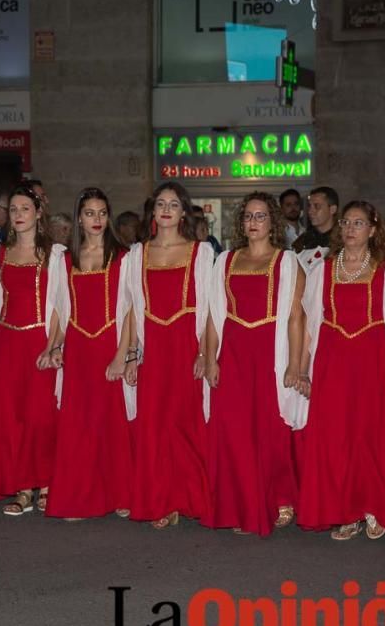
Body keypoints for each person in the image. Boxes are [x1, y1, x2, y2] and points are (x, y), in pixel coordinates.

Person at [293, 200, 385, 540]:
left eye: (359, 223)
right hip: (332, 360)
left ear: (373, 230)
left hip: (372, 361)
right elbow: (310, 322)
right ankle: (345, 511)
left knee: (369, 436)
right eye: (347, 223)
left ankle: (373, 506)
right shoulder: (322, 270)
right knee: (337, 439)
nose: (351, 229)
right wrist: (302, 369)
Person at [203, 191, 305, 536]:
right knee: (233, 431)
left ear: (273, 221)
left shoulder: (286, 262)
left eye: (261, 216)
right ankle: (240, 503)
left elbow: (295, 318)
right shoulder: (226, 260)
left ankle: (279, 496)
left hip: (269, 353)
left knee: (270, 429)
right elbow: (215, 314)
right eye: (248, 216)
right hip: (232, 353)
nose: (253, 222)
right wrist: (210, 357)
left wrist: (294, 365)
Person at [124, 181, 212, 529]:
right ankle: (162, 500)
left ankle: (190, 497)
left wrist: (206, 353)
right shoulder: (137, 253)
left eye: (173, 204)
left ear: (183, 212)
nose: (166, 210)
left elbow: (208, 307)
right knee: (155, 424)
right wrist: (131, 355)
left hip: (185, 343)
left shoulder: (200, 252)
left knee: (186, 424)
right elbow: (131, 307)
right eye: (161, 203)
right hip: (154, 346)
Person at [46, 188, 133, 520]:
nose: (96, 220)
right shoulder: (66, 259)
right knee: (79, 425)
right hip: (79, 347)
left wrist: (122, 354)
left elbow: (130, 311)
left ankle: (120, 493)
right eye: (89, 213)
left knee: (112, 423)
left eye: (101, 213)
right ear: (79, 218)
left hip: (109, 343)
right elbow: (59, 307)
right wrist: (55, 345)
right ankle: (78, 498)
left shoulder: (124, 257)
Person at [0, 185, 68, 515]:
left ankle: (45, 483)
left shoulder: (56, 254)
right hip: (7, 342)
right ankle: (22, 488)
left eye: (24, 209)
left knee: (41, 416)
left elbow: (62, 304)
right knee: (12, 417)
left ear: (38, 213)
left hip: (38, 341)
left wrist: (53, 344)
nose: (17, 215)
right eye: (13, 210)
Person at [292, 186, 339, 268]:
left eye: (317, 206)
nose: (310, 211)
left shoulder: (343, 240)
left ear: (332, 209)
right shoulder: (302, 241)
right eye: (309, 206)